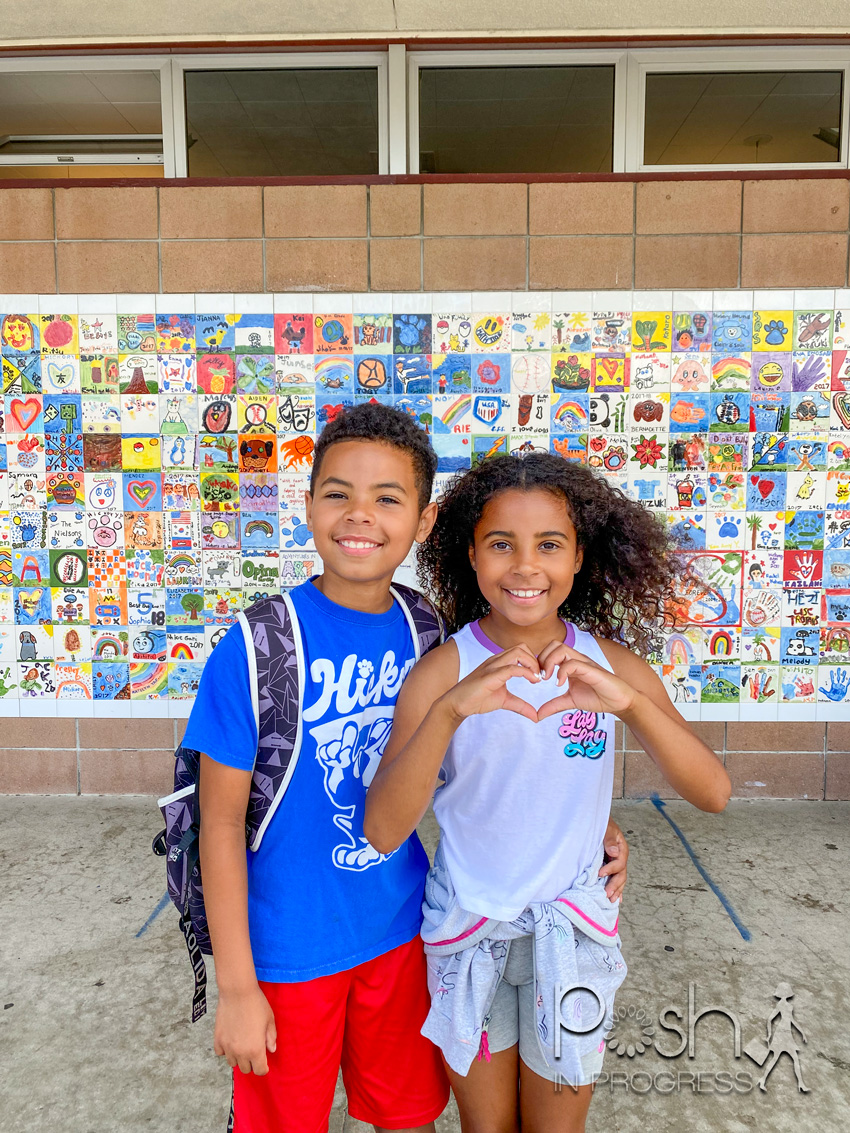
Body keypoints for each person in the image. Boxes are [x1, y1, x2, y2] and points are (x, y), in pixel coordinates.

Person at [182, 405, 631, 1133]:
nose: (360, 515)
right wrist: (237, 984)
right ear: (306, 505)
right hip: (287, 949)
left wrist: (590, 822)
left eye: (387, 498)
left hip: (402, 933)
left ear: (422, 522)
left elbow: (495, 757)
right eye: (337, 493)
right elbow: (222, 821)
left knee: (410, 1114)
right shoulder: (255, 645)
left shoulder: (427, 630)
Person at [365, 453, 731, 1133]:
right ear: (470, 555)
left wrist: (631, 704)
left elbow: (712, 791)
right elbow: (384, 830)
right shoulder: (441, 671)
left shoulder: (610, 663)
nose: (525, 566)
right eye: (501, 544)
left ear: (579, 557)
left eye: (549, 545)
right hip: (468, 937)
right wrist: (449, 710)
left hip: (576, 939)